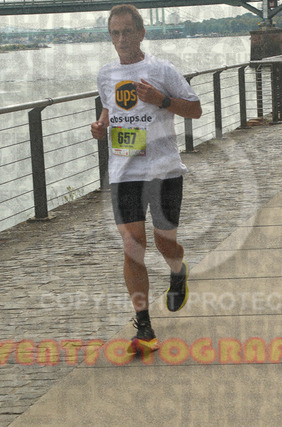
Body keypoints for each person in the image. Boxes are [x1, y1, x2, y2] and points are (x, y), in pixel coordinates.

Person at [90, 4, 202, 353]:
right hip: (124, 172)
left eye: (127, 31)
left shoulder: (162, 69)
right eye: (115, 33)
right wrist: (101, 124)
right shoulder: (106, 74)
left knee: (164, 242)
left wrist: (161, 99)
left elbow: (195, 109)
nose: (122, 39)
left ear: (141, 32)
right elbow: (110, 107)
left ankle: (177, 269)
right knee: (133, 245)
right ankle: (144, 327)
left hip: (163, 170)